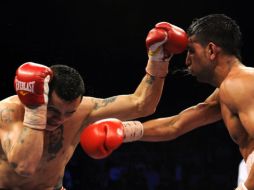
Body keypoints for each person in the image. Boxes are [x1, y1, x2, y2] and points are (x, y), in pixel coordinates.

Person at [0, 21, 187, 189]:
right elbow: (24, 167)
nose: (60, 119)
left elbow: (142, 105)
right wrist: (36, 109)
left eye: (69, 113)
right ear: (43, 95)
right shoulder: (8, 112)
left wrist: (158, 60)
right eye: (53, 110)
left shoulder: (82, 111)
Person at [81, 14, 254, 190]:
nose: (187, 60)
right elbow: (175, 125)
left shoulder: (240, 84)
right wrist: (123, 131)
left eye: (191, 51)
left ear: (211, 50)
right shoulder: (228, 90)